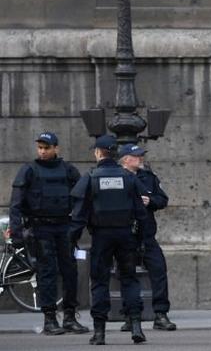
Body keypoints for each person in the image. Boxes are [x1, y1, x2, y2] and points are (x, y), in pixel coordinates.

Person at [70, 135, 149, 345]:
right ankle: (135, 326)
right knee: (129, 279)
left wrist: (71, 241)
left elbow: (78, 215)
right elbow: (141, 213)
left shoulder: (91, 177)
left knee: (99, 282)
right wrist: (141, 240)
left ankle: (99, 332)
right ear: (115, 154)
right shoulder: (129, 178)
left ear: (98, 152)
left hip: (102, 236)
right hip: (126, 235)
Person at [8, 132, 88, 335]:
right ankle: (50, 319)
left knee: (70, 272)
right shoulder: (29, 170)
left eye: (46, 148)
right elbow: (16, 204)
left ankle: (69, 317)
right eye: (40, 148)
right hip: (40, 228)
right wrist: (17, 235)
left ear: (56, 149)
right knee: (47, 273)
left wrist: (76, 226)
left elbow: (82, 198)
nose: (42, 151)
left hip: (64, 228)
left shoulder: (68, 170)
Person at [117, 143, 177, 331]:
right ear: (126, 159)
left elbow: (163, 200)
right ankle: (130, 316)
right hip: (126, 236)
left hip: (147, 236)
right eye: (137, 156)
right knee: (126, 276)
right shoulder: (116, 177)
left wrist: (150, 201)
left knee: (159, 272)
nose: (141, 158)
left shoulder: (149, 178)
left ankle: (160, 315)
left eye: (141, 155)